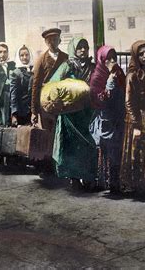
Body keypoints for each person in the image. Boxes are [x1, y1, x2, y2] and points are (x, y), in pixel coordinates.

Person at [51, 37, 97, 188]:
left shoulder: (92, 66)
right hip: (69, 114)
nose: (83, 50)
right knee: (71, 145)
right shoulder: (67, 66)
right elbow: (54, 84)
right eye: (80, 48)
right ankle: (74, 177)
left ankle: (88, 176)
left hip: (86, 112)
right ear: (74, 49)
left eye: (86, 47)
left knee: (87, 143)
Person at [89, 46, 126, 192]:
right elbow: (98, 100)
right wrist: (109, 83)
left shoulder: (119, 72)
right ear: (101, 60)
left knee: (118, 149)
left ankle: (117, 181)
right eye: (108, 59)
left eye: (114, 58)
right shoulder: (97, 76)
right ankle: (107, 182)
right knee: (107, 150)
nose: (112, 61)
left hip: (118, 115)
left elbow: (124, 90)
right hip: (105, 117)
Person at [119, 40, 145, 196]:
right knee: (136, 152)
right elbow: (128, 101)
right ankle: (135, 186)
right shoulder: (132, 75)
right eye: (141, 54)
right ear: (135, 55)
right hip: (137, 118)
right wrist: (136, 124)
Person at [31, 28, 68, 131]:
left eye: (55, 39)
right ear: (46, 42)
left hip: (62, 102)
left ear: (59, 41)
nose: (52, 42)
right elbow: (35, 85)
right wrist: (34, 111)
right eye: (49, 40)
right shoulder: (41, 60)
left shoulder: (65, 58)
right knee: (48, 134)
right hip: (46, 103)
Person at [10, 45, 34, 126]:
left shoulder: (34, 70)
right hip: (22, 111)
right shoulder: (16, 73)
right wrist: (14, 114)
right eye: (22, 55)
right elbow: (13, 95)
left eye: (26, 55)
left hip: (34, 110)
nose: (24, 57)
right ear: (19, 57)